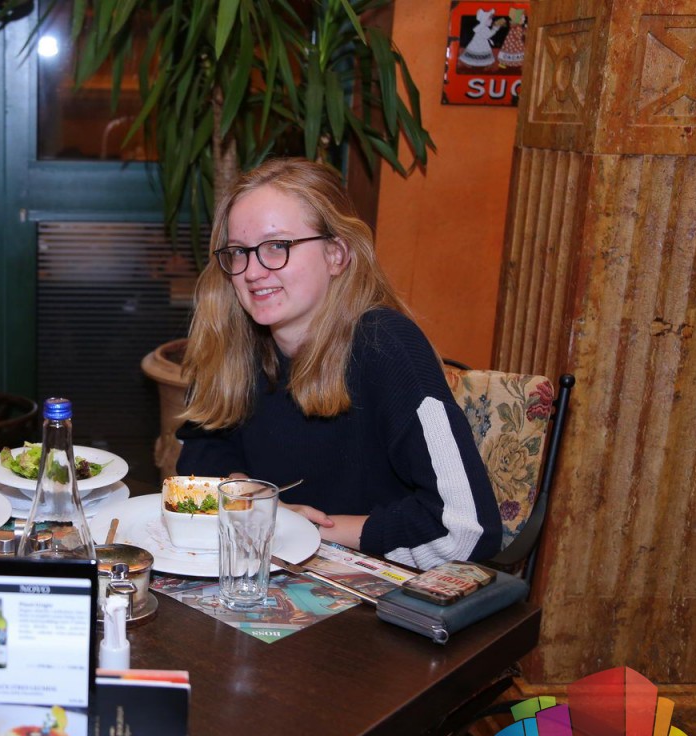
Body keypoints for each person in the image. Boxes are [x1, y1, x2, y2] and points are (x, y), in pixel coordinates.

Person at [176, 158, 501, 569]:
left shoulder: (388, 346)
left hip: (370, 584)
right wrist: (246, 494)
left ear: (336, 254)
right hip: (266, 573)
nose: (252, 272)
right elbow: (201, 455)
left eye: (277, 246)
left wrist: (305, 529)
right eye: (239, 252)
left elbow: (468, 530)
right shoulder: (233, 341)